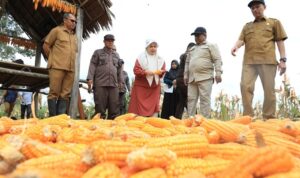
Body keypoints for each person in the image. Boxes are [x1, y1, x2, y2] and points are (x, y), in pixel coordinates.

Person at [231, 0, 287, 119]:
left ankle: (269, 118)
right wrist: (236, 46)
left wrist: (283, 60)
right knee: (245, 87)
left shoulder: (274, 23)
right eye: (252, 8)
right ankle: (248, 117)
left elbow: (280, 41)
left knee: (269, 91)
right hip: (249, 62)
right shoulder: (247, 26)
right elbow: (241, 39)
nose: (255, 10)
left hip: (268, 61)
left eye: (257, 7)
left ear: (264, 7)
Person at [43, 13, 77, 116]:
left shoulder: (74, 36)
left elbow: (75, 51)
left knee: (65, 94)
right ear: (65, 20)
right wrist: (53, 59)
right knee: (54, 92)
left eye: (75, 21)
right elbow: (46, 45)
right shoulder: (56, 31)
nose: (74, 23)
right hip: (57, 66)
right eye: (72, 21)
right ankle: (52, 118)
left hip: (70, 69)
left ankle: (59, 118)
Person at [184, 27, 223, 118]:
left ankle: (204, 122)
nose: (196, 37)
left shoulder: (211, 45)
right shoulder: (192, 49)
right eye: (195, 36)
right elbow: (187, 63)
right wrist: (185, 75)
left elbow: (217, 59)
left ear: (205, 35)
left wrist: (218, 73)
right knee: (191, 99)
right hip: (192, 78)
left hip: (205, 77)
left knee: (204, 100)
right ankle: (191, 120)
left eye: (198, 35)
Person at [87, 34, 123, 119]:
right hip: (100, 84)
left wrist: (121, 81)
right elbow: (92, 65)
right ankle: (99, 129)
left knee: (114, 108)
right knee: (100, 109)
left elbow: (119, 70)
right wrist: (90, 78)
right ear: (104, 42)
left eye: (112, 41)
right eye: (108, 41)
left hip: (113, 85)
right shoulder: (98, 52)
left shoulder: (116, 55)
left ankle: (112, 129)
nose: (110, 42)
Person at [128, 39, 166, 117]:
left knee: (154, 108)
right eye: (151, 46)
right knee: (138, 109)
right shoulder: (140, 58)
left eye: (155, 46)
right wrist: (146, 72)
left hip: (154, 87)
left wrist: (161, 72)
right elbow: (136, 70)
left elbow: (162, 71)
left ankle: (152, 123)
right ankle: (138, 124)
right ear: (146, 48)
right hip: (141, 87)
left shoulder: (160, 59)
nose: (153, 48)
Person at [175, 42, 195, 119]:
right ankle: (194, 118)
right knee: (189, 100)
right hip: (184, 80)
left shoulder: (183, 56)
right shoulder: (187, 56)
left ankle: (177, 119)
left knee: (182, 101)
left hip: (179, 80)